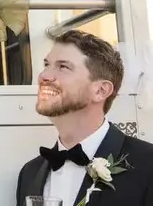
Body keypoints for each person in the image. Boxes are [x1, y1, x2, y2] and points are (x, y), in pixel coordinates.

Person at [16, 30, 153, 206]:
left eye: (63, 67)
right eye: (46, 65)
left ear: (100, 91)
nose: (44, 76)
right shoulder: (29, 173)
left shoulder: (147, 165)